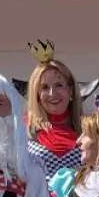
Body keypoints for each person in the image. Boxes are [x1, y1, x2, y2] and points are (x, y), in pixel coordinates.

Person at [21, 43, 84, 180]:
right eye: (44, 87)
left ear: (70, 90)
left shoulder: (89, 130)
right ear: (36, 94)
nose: (52, 93)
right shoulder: (22, 129)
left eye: (59, 85)